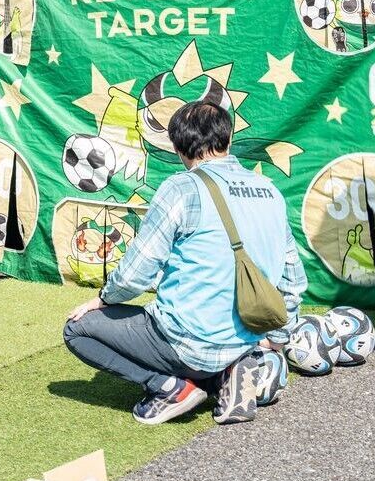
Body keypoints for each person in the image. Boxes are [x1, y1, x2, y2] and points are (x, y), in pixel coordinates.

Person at [64, 101, 307, 426]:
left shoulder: (181, 188)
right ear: (229, 138)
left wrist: (104, 299)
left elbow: (137, 272)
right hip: (244, 340)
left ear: (178, 148)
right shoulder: (270, 192)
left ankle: (170, 388)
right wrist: (277, 339)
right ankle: (228, 374)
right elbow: (293, 280)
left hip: (184, 341)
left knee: (77, 330)